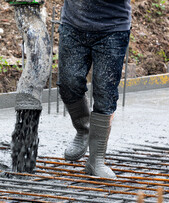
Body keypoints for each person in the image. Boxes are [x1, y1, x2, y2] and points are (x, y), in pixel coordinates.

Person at [58, 0, 132, 179]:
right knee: (68, 83)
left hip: (113, 29)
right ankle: (83, 129)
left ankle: (96, 159)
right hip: (73, 25)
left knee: (105, 93)